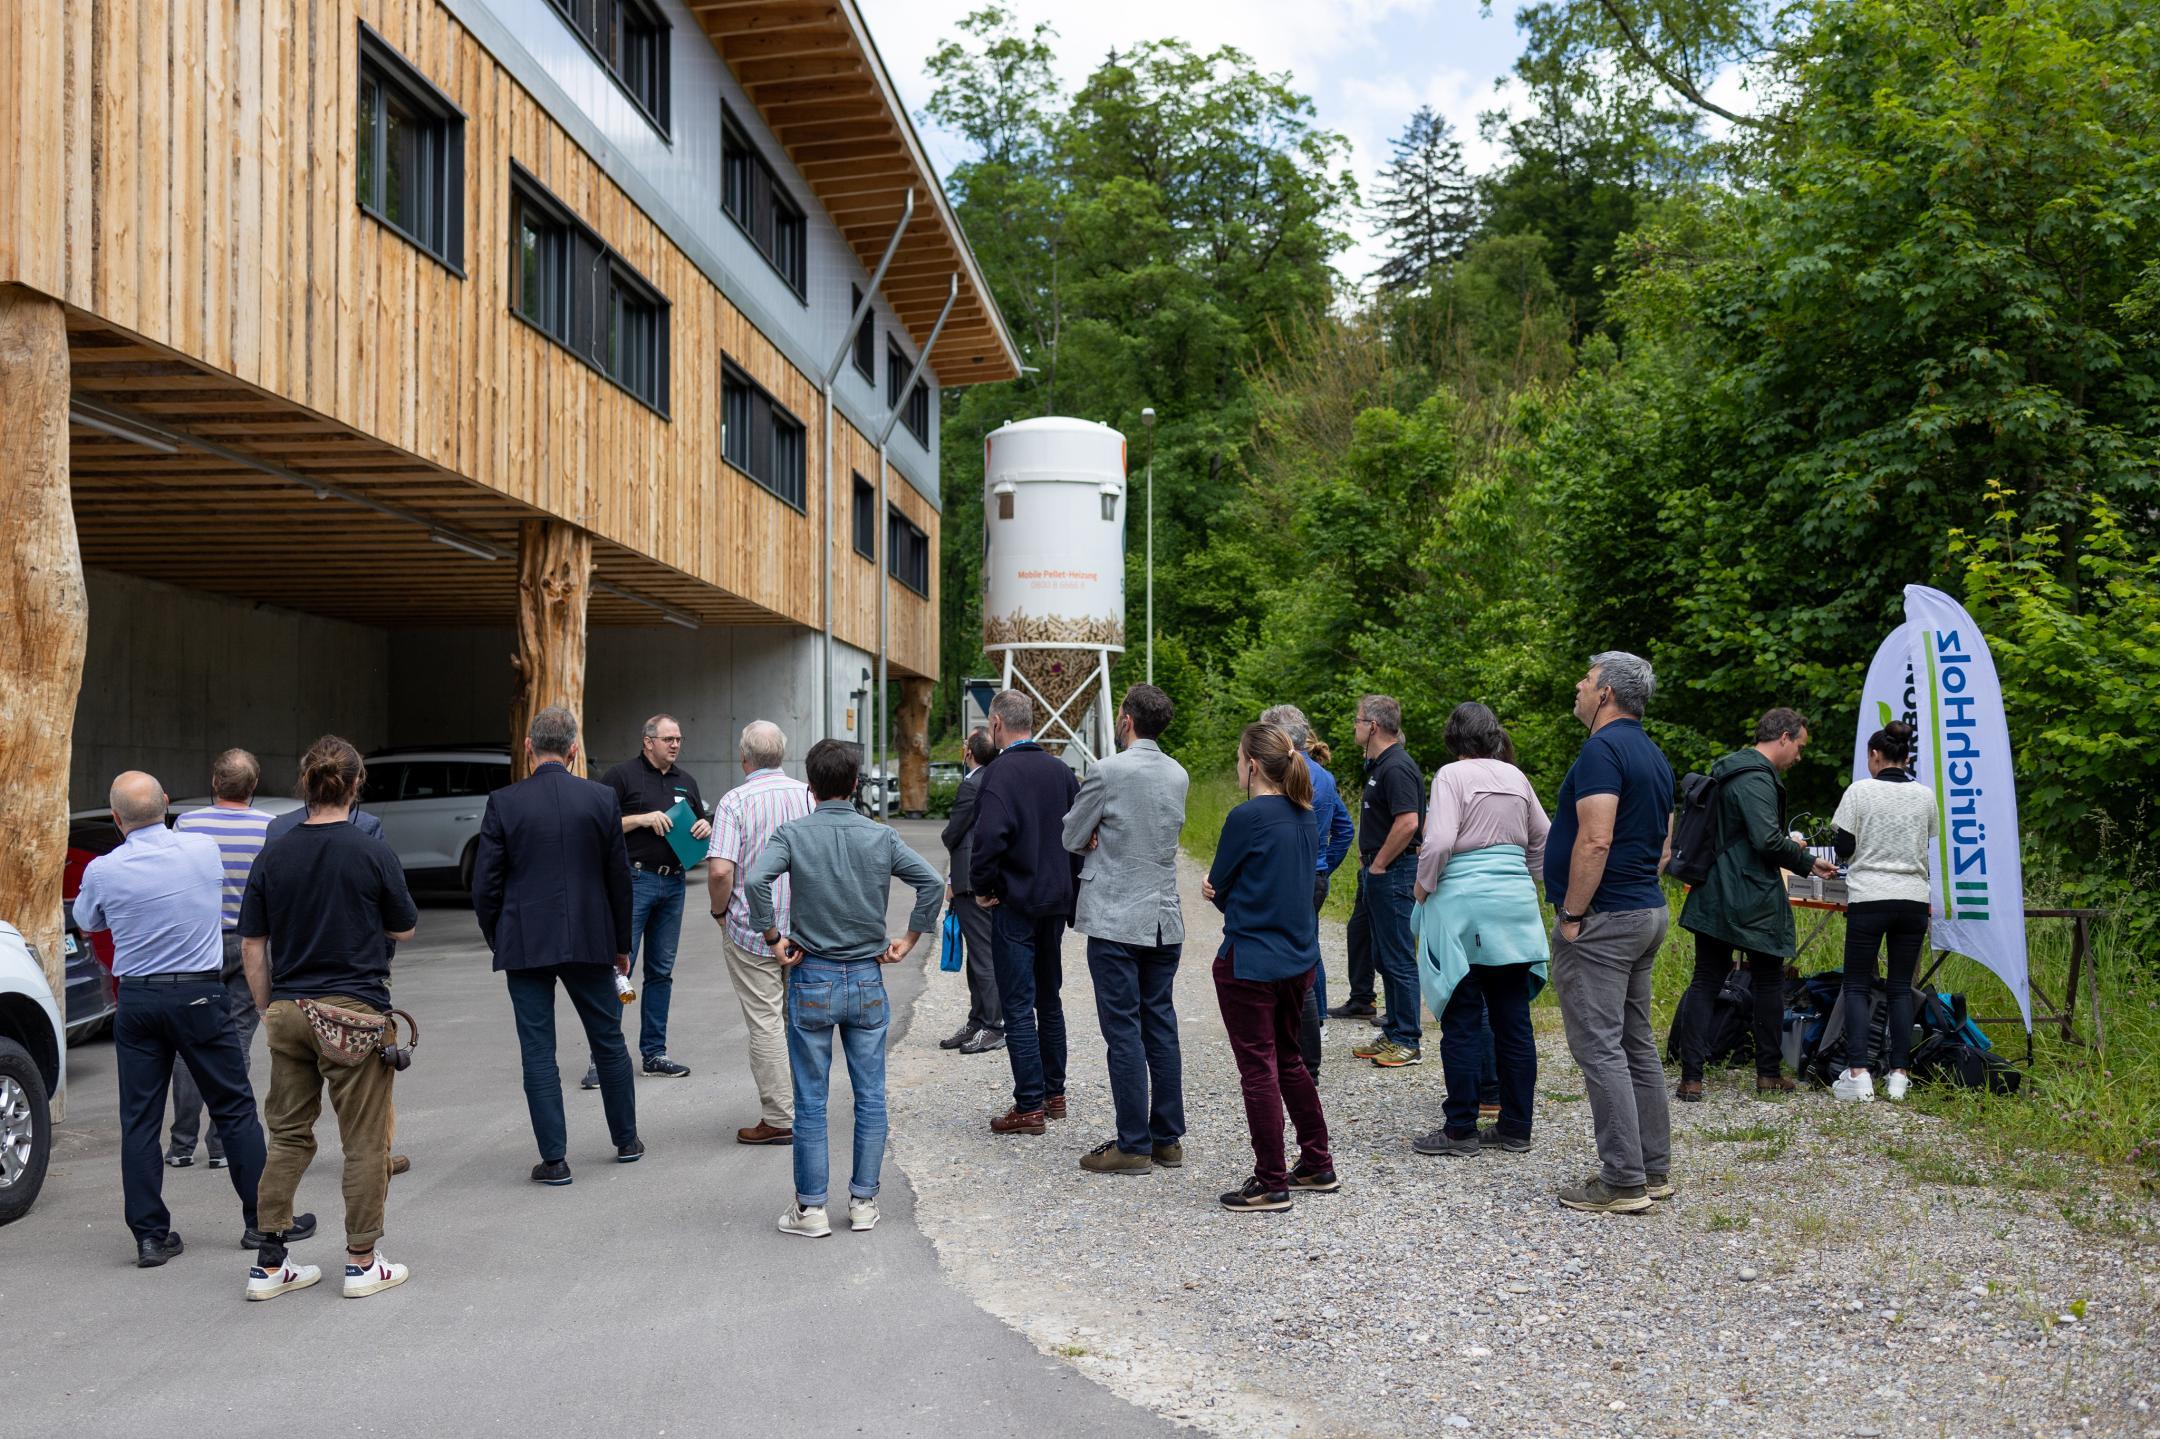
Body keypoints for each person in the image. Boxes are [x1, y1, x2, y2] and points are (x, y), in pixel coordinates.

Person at [73, 770, 285, 1269]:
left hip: (140, 1000)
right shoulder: (201, 850)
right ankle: (262, 1222)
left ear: (115, 818)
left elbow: (87, 921)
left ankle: (150, 1236)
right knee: (233, 1106)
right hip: (197, 993)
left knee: (140, 1120)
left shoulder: (103, 870)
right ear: (167, 804)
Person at [746, 740, 943, 1238]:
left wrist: (773, 936)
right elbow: (932, 883)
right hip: (866, 976)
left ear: (809, 787)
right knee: (870, 1095)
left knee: (811, 1100)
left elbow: (754, 881)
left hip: (812, 974)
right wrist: (908, 938)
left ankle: (810, 1209)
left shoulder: (793, 834)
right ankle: (862, 1202)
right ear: (856, 784)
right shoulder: (880, 836)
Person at [239, 737, 413, 1299]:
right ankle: (361, 1262)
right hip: (354, 1013)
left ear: (304, 785)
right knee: (364, 1142)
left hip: (289, 1006)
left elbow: (252, 946)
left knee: (287, 1136)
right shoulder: (370, 849)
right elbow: (403, 927)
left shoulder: (274, 852)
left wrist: (269, 1007)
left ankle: (269, 1264)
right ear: (356, 784)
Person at [473, 707, 642, 1185]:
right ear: (574, 751)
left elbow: (486, 885)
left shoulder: (504, 803)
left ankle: (555, 1159)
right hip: (592, 937)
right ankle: (626, 1139)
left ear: (528, 747)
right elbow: (618, 880)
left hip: (525, 939)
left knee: (538, 1049)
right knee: (607, 1038)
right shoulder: (602, 798)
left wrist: (498, 934)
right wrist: (622, 943)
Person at [1546, 652, 1677, 1214]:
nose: (1578, 685)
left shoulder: (1602, 750)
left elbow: (1594, 840)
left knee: (1600, 1048)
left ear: (1605, 694)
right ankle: (1652, 1168)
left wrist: (1574, 913)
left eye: (1586, 679)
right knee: (1634, 1044)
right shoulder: (1653, 753)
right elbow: (1664, 849)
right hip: (1645, 910)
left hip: (1604, 920)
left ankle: (1623, 1180)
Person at [1409, 702, 1552, 1158]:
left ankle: (1460, 1130)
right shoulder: (1517, 777)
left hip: (1464, 907)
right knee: (1513, 1022)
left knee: (1463, 1016)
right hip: (1513, 907)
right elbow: (1544, 836)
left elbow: (1440, 840)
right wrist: (1523, 875)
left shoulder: (1451, 776)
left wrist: (1423, 887)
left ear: (1453, 738)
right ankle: (1515, 1128)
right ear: (1493, 736)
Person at [1204, 724, 1337, 1212]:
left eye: (1240, 759)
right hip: (1298, 958)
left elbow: (1220, 885)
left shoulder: (1248, 817)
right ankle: (1317, 1162)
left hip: (1251, 961)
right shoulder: (1305, 815)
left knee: (1258, 1068)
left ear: (1253, 766)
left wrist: (1216, 893)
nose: (1238, 767)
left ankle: (1271, 1179)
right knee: (1289, 1060)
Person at [1674, 708, 1838, 1099]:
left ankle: (1692, 1077)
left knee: (1706, 979)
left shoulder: (1730, 770)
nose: (1799, 756)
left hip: (1715, 890)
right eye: (1798, 746)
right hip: (1748, 895)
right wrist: (1804, 857)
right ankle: (1766, 1073)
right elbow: (1765, 839)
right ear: (1783, 737)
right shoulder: (1756, 777)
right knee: (1767, 981)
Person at [1061, 684, 1190, 1175]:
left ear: (1127, 718)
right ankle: (1167, 1138)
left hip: (1116, 916)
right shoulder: (1179, 773)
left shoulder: (1108, 771)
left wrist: (1095, 835)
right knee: (1161, 1024)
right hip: (1163, 917)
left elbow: (1072, 834)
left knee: (1123, 1031)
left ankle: (1132, 1142)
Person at [969, 689, 1083, 1136]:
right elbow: (1080, 834)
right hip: (1054, 902)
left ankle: (1029, 1103)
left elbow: (988, 840)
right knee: (1048, 997)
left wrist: (984, 888)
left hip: (1014, 902)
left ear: (996, 725)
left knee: (1017, 1003)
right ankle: (1055, 1094)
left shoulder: (999, 774)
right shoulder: (1062, 772)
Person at [705, 721, 815, 1145]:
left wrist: (720, 912)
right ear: (782, 755)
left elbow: (719, 870)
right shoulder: (808, 794)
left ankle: (780, 1116)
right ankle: (807, 1106)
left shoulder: (734, 801)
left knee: (765, 1021)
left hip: (753, 931)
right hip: (805, 929)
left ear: (743, 757)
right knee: (800, 1019)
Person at [165, 748, 275, 1170]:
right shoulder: (269, 827)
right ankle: (222, 1144)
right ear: (254, 786)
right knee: (238, 1039)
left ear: (215, 783)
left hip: (198, 944)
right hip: (251, 943)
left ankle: (179, 1145)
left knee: (188, 1042)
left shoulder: (188, 824)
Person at [595, 713, 711, 1082]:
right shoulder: (622, 776)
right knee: (619, 968)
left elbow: (699, 825)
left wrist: (705, 824)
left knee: (661, 972)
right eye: (668, 739)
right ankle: (604, 1060)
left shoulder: (686, 781)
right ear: (648, 742)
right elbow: (601, 823)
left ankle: (655, 1054)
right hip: (635, 880)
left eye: (678, 739)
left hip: (674, 883)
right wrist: (642, 819)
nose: (675, 744)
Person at [1830, 721, 1937, 1103]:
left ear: (1875, 755)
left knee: (1857, 983)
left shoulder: (1860, 791)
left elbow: (1843, 846)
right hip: (1911, 899)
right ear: (1906, 757)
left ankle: (1858, 1072)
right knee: (1900, 986)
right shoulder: (1924, 796)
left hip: (1870, 897)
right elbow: (1925, 839)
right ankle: (1898, 1075)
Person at [1258, 704, 1352, 1077]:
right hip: (1314, 875)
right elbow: (1344, 828)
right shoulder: (1325, 777)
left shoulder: (1281, 776)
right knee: (1308, 948)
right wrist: (1325, 864)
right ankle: (1318, 1022)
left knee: (1290, 953)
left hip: (1290, 875)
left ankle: (1296, 1032)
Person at [1347, 695, 1426, 1068]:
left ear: (1374, 726)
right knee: (1382, 953)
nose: (1355, 726)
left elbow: (1408, 822)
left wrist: (1378, 864)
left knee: (1397, 957)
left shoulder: (1396, 767)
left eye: (1358, 720)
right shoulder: (1379, 765)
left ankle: (1408, 1039)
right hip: (1379, 873)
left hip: (1393, 872)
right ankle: (1393, 1030)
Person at [937, 727, 1006, 1054]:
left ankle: (992, 1024)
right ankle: (978, 1019)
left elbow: (953, 832)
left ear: (970, 754)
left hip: (971, 879)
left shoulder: (972, 784)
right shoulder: (1002, 780)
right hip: (991, 876)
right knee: (982, 952)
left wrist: (953, 879)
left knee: (981, 955)